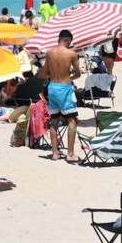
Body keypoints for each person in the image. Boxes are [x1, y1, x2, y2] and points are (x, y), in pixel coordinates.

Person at [36, 30, 81, 162]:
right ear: (68, 40)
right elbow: (78, 74)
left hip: (52, 87)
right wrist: (70, 77)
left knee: (54, 120)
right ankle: (70, 154)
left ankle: (55, 153)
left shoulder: (50, 53)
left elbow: (47, 72)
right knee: (72, 120)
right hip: (64, 89)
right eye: (70, 42)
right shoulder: (71, 54)